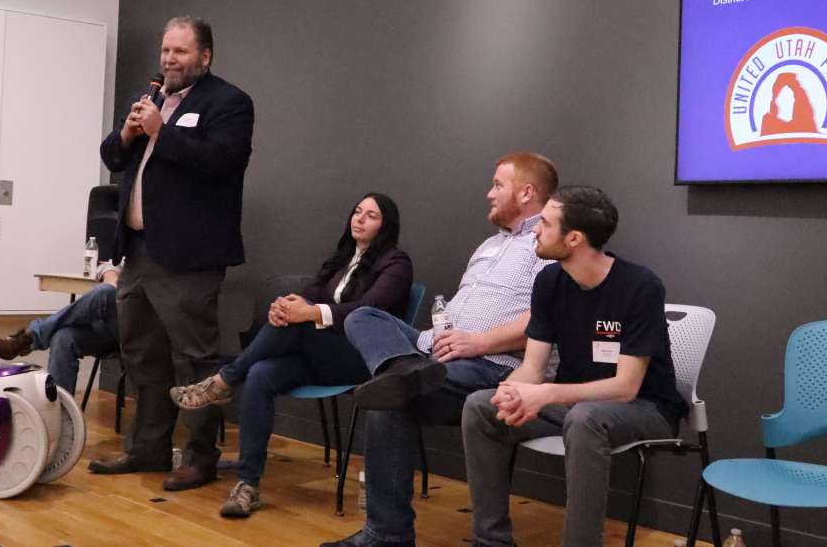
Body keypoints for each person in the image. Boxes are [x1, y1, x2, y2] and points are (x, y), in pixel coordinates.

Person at [320, 152, 558, 547]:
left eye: (498, 185)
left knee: (390, 396)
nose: (489, 193)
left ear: (527, 192)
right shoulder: (488, 245)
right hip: (435, 351)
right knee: (363, 319)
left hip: (492, 365)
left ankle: (386, 536)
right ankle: (405, 369)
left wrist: (478, 341)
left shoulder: (545, 243)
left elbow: (546, 318)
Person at [461, 186, 687, 547]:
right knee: (480, 406)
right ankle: (490, 540)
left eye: (546, 223)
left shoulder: (640, 286)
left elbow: (625, 386)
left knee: (585, 419)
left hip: (645, 407)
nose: (535, 229)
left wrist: (545, 393)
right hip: (572, 404)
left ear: (574, 238)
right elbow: (533, 369)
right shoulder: (549, 281)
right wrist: (512, 391)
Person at [168, 193, 414, 518]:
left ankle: (224, 380)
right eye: (357, 211)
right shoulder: (343, 259)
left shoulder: (396, 263)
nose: (360, 219)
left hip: (362, 361)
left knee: (298, 325)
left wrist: (308, 313)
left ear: (386, 225)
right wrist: (284, 307)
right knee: (262, 374)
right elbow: (310, 294)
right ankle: (248, 484)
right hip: (321, 355)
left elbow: (367, 310)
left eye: (371, 215)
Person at [88, 16, 254, 492]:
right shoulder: (153, 99)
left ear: (205, 56)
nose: (168, 60)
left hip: (188, 258)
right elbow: (114, 158)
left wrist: (162, 133)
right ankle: (148, 448)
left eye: (179, 52)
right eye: (165, 50)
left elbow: (222, 161)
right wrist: (128, 133)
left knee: (194, 361)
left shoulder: (229, 103)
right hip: (138, 252)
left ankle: (201, 457)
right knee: (141, 355)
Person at [0, 261, 121, 395]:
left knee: (105, 292)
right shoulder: (135, 246)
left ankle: (30, 338)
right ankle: (60, 412)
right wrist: (111, 271)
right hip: (112, 330)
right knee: (63, 337)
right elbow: (114, 264)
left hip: (136, 335)